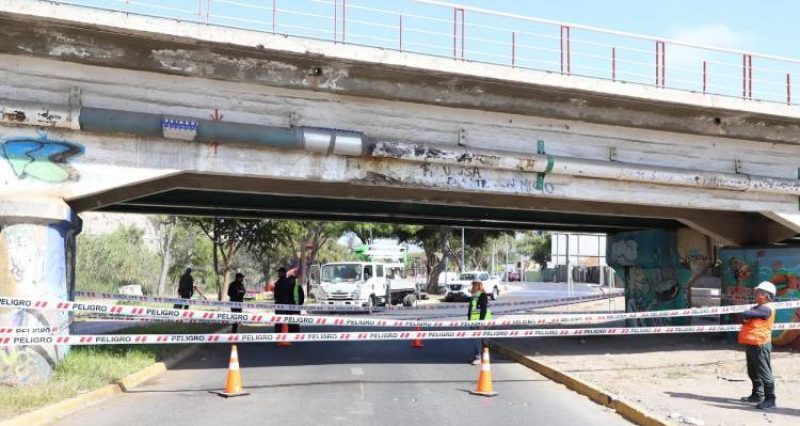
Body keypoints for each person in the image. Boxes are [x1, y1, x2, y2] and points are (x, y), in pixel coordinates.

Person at [738, 281, 777, 410]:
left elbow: (747, 314)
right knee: (753, 372)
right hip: (752, 343)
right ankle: (757, 395)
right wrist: (746, 315)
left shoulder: (766, 308)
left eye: (758, 292)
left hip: (760, 344)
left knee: (765, 373)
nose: (755, 293)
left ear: (765, 295)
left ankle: (770, 399)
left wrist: (746, 314)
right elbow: (745, 317)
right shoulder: (759, 307)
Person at [467, 280, 491, 365]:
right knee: (476, 339)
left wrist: (481, 322)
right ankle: (479, 356)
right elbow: (471, 309)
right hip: (474, 321)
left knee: (478, 339)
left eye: (475, 285)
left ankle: (478, 357)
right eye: (473, 284)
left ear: (479, 286)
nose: (473, 286)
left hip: (481, 321)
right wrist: (469, 320)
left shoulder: (482, 295)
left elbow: (483, 309)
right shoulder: (474, 296)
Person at [274, 267, 305, 333]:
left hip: (281, 306)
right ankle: (294, 335)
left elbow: (277, 295)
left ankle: (279, 336)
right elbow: (301, 296)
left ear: (283, 273)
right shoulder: (290, 283)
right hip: (293, 306)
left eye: (279, 272)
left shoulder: (279, 283)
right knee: (293, 322)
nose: (278, 274)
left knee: (280, 322)